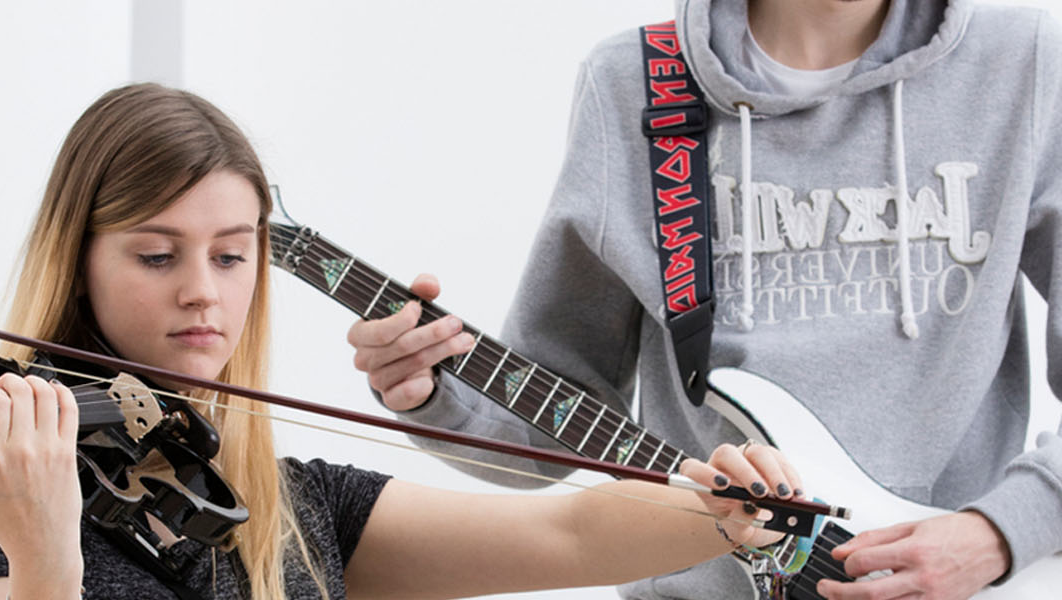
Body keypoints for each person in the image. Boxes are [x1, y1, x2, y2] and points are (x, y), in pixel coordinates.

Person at [0, 82, 808, 600]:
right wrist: (43, 557)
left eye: (232, 256)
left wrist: (726, 511)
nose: (202, 290)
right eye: (157, 254)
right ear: (78, 263)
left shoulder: (286, 510)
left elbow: (564, 532)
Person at [346, 0, 1062, 598]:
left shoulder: (1024, 64)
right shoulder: (635, 84)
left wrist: (1005, 530)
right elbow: (549, 432)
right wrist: (432, 390)